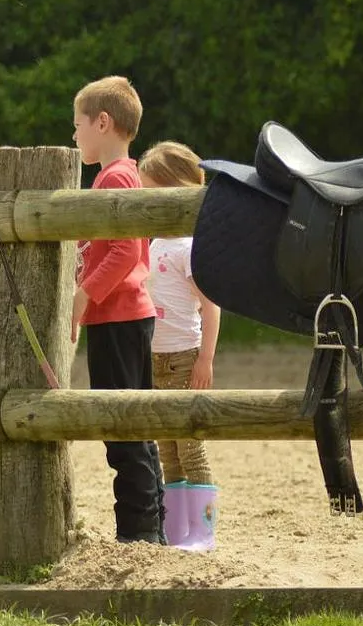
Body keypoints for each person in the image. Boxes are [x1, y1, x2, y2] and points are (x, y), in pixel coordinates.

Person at [70, 76, 166, 545]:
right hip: (123, 315)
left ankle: (140, 531)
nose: (74, 135)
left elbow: (127, 249)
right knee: (132, 423)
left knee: (122, 426)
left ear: (103, 122)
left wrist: (86, 292)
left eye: (78, 125)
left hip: (118, 315)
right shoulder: (117, 175)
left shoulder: (116, 177)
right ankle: (148, 527)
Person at [138, 141, 221, 551]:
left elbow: (210, 305)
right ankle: (178, 531)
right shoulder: (154, 244)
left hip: (183, 357)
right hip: (156, 357)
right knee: (166, 448)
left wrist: (205, 358)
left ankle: (203, 533)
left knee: (190, 446)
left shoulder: (189, 247)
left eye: (153, 192)